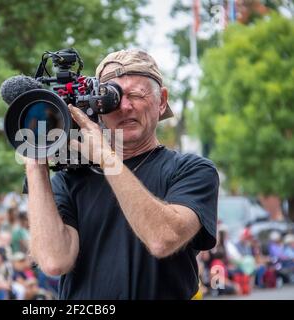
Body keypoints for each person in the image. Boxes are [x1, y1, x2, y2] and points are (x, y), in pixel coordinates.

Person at [24, 49, 219, 299]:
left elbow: (162, 239)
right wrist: (35, 164)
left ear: (161, 101)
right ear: (97, 107)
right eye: (111, 98)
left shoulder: (191, 169)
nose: (125, 107)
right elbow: (54, 261)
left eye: (137, 95)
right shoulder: (70, 179)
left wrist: (106, 158)